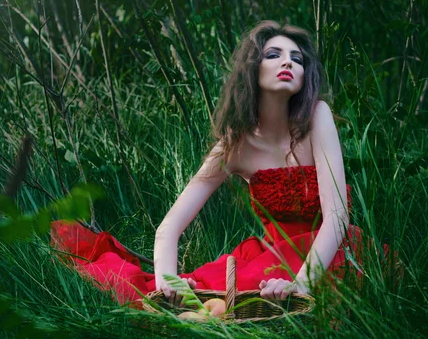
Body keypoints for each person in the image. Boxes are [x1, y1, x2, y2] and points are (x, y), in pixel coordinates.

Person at [50, 20, 393, 309]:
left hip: (332, 254)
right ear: (252, 69)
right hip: (268, 259)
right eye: (273, 55)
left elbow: (337, 216)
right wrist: (168, 283)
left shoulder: (318, 116)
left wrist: (300, 285)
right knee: (195, 299)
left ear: (305, 76)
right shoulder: (235, 147)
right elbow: (169, 228)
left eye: (297, 59)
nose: (288, 62)